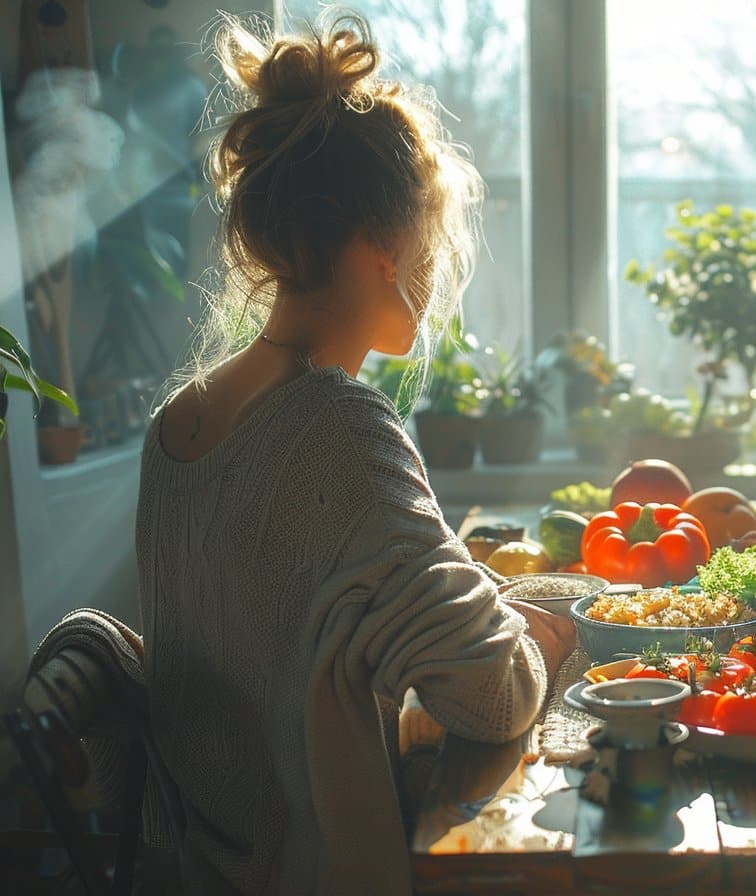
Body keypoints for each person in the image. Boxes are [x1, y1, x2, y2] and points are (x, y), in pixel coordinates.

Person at [135, 12, 574, 894]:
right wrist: (544, 637)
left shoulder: (176, 422)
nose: (437, 262)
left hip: (194, 872)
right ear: (380, 245)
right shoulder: (340, 427)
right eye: (430, 234)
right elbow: (494, 698)